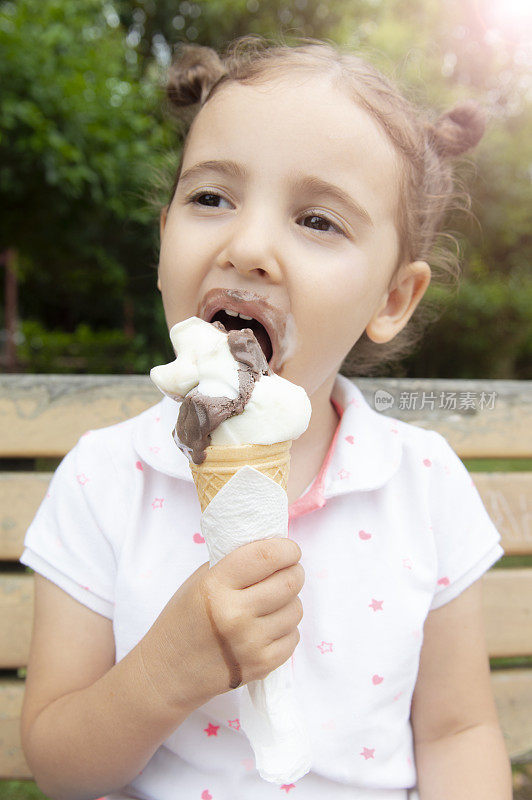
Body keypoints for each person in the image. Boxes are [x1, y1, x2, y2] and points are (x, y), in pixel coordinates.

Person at [19, 34, 512, 800]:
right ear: (162, 247)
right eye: (211, 198)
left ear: (392, 299)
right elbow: (57, 767)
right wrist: (163, 673)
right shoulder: (104, 480)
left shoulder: (423, 486)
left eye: (318, 221)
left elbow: (458, 732)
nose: (248, 247)